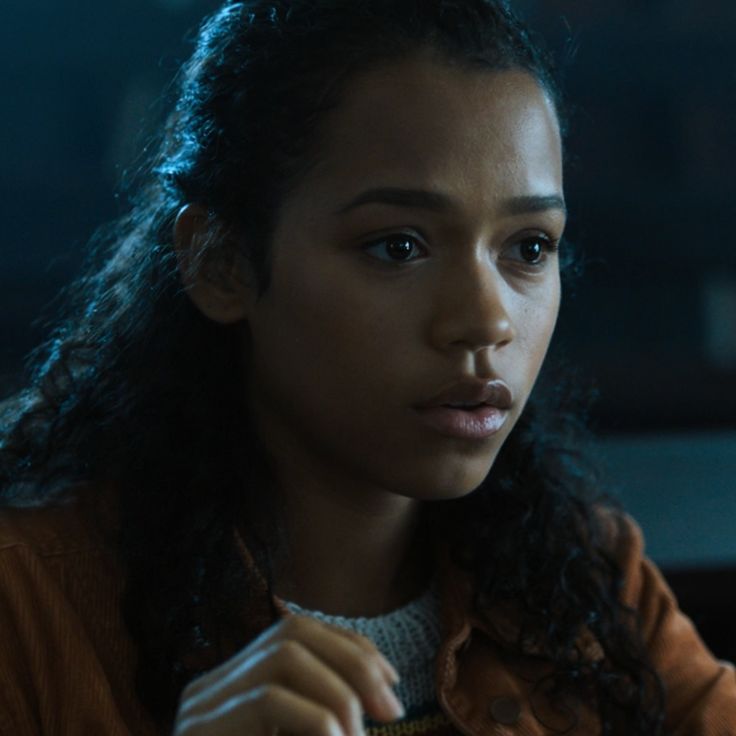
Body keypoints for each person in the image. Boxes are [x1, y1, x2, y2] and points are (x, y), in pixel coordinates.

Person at [0, 0, 734, 734]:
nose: (487, 320)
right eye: (398, 246)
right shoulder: (32, 604)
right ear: (220, 264)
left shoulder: (584, 580)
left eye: (529, 248)